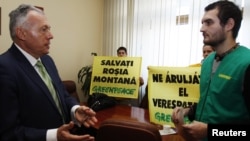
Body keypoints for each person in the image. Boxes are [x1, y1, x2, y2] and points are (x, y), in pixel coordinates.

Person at [0, 4, 97, 141]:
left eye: (49, 29)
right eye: (43, 30)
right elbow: (8, 133)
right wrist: (54, 136)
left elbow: (62, 95)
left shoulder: (47, 60)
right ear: (22, 33)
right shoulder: (4, 68)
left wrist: (75, 110)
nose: (51, 36)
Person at [172, 1, 250, 141]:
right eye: (202, 22)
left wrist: (212, 132)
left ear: (229, 25)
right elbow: (211, 102)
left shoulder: (247, 63)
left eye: (208, 22)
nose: (201, 28)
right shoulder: (207, 62)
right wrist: (186, 111)